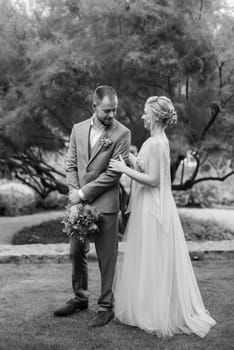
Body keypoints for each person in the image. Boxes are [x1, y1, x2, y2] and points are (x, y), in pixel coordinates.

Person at [109, 96, 216, 338]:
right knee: (149, 256)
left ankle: (153, 312)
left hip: (152, 206)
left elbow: (154, 180)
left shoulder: (157, 143)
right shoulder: (154, 141)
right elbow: (145, 167)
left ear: (156, 116)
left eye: (146, 113)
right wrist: (126, 157)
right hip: (151, 204)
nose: (142, 116)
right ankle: (147, 307)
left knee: (152, 256)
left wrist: (124, 170)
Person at [54, 85, 131, 327]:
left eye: (115, 110)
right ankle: (80, 297)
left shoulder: (122, 133)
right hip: (79, 203)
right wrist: (74, 195)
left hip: (106, 204)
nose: (112, 115)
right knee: (76, 252)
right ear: (94, 107)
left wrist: (83, 193)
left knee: (107, 257)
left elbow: (112, 175)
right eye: (107, 110)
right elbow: (70, 164)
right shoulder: (77, 129)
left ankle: (106, 306)